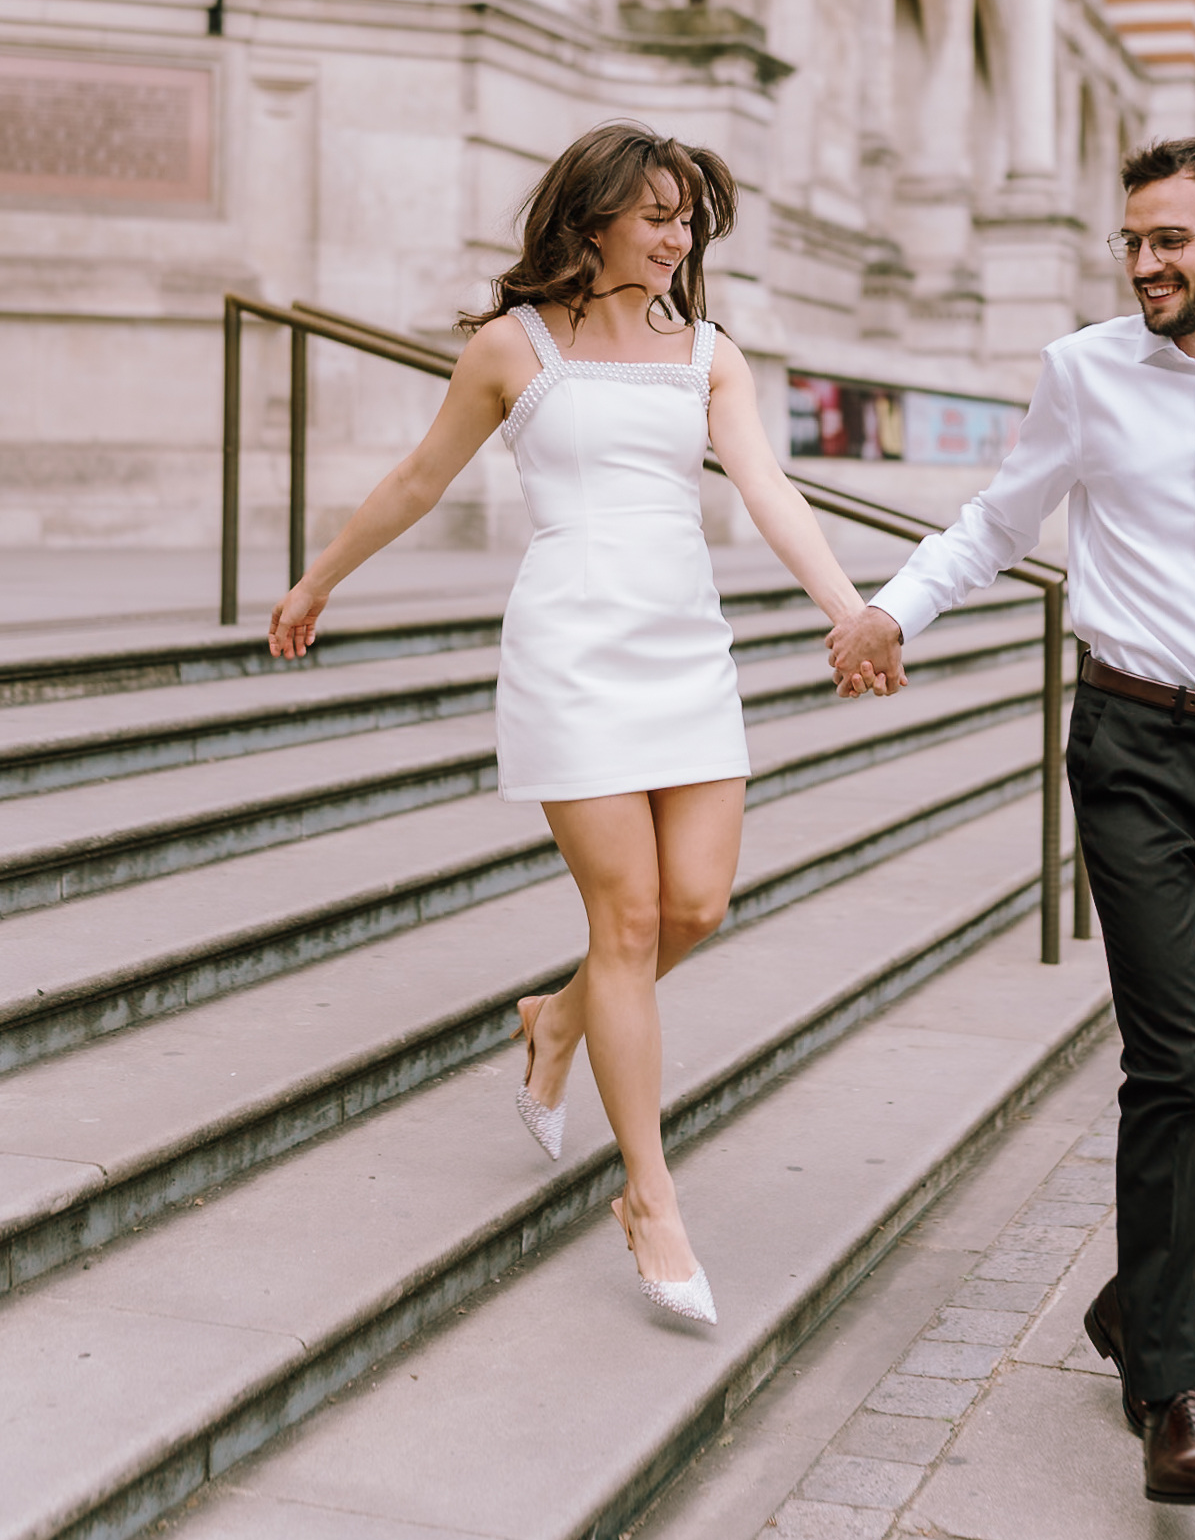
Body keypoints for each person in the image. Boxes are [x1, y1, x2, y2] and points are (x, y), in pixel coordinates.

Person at [829, 136, 1195, 1503]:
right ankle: (1168, 1385)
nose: (1144, 264)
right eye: (1130, 243)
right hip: (1133, 747)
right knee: (1180, 1062)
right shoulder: (1083, 372)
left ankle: (1132, 1305)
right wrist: (888, 611)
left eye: (1170, 241)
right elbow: (992, 519)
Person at [269, 122, 891, 1328]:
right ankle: (649, 1196)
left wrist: (853, 609)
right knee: (630, 917)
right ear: (593, 216)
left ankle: (557, 1019)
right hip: (568, 653)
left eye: (686, 221)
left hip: (684, 655)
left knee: (698, 904)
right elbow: (416, 477)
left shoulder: (711, 352)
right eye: (654, 215)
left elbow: (768, 487)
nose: (674, 238)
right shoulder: (516, 348)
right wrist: (318, 579)